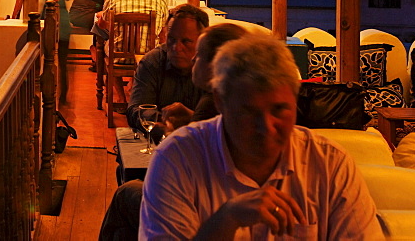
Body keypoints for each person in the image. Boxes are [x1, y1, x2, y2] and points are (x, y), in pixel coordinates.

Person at [140, 35, 383, 240]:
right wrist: (226, 220)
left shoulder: (330, 165)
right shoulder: (177, 159)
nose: (265, 127)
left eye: (279, 110)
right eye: (249, 111)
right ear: (220, 102)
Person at [99, 22, 246, 241]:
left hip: (199, 214)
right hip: (217, 204)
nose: (193, 57)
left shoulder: (211, 103)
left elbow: (184, 167)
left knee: (126, 193)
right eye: (172, 40)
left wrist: (172, 132)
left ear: (218, 62)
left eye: (199, 52)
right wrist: (191, 123)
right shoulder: (233, 97)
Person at [124, 3, 207, 130]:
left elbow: (227, 122)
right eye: (171, 39)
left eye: (186, 41)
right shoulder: (153, 61)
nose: (176, 48)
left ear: (202, 41)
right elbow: (135, 110)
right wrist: (168, 122)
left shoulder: (214, 67)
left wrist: (192, 119)